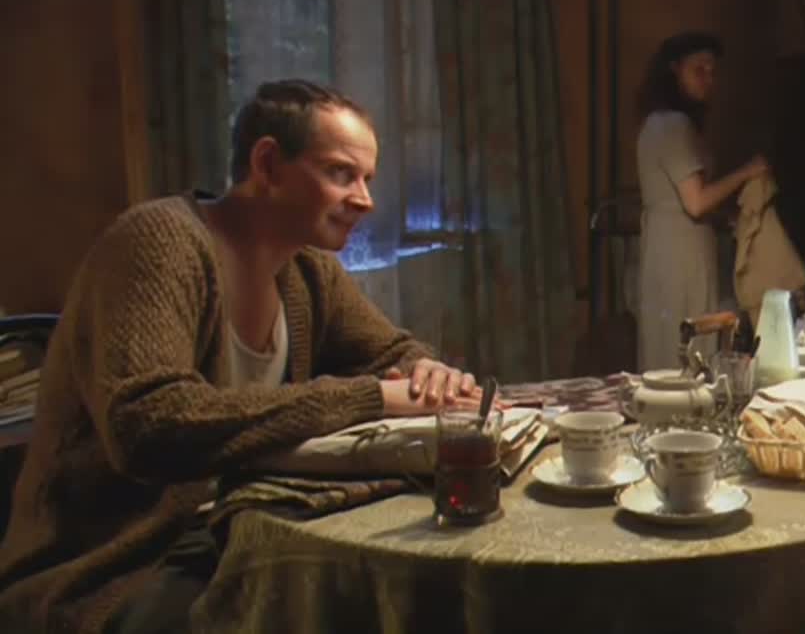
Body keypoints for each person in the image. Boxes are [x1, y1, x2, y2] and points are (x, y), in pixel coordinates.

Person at [0, 79, 487, 633]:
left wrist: (427, 370)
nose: (365, 200)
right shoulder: (158, 242)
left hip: (232, 531)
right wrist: (372, 398)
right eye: (340, 174)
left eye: (367, 179)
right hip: (114, 564)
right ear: (268, 164)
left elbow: (393, 351)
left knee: (404, 591)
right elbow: (147, 424)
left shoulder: (306, 269)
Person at [634, 32, 768, 372]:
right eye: (699, 70)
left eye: (712, 71)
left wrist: (725, 217)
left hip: (672, 245)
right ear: (674, 71)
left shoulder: (662, 124)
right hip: (679, 251)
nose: (709, 79)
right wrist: (748, 171)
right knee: (685, 339)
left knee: (674, 338)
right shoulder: (671, 125)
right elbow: (695, 202)